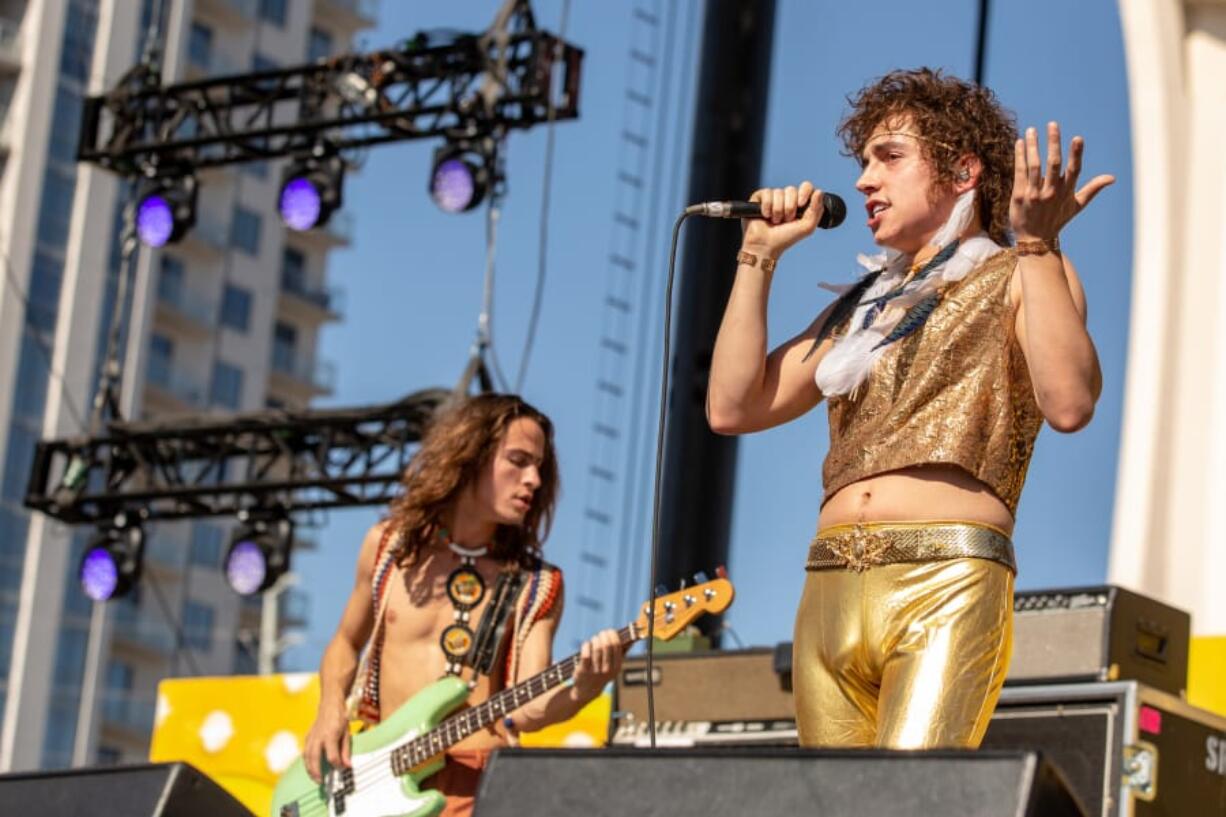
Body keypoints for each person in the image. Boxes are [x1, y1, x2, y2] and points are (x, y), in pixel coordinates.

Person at [707, 68, 1111, 749]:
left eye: (889, 157)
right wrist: (757, 256)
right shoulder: (858, 307)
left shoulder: (1019, 273)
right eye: (864, 161)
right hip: (829, 585)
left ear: (962, 171)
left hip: (944, 580)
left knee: (908, 801)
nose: (865, 180)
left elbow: (1070, 402)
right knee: (829, 809)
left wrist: (1038, 243)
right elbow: (732, 405)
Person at [303, 393, 623, 816]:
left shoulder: (536, 584)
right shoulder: (389, 548)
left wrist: (585, 689)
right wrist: (330, 710)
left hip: (474, 786)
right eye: (519, 460)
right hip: (376, 776)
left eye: (540, 467)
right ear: (470, 454)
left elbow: (526, 709)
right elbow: (345, 642)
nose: (534, 480)